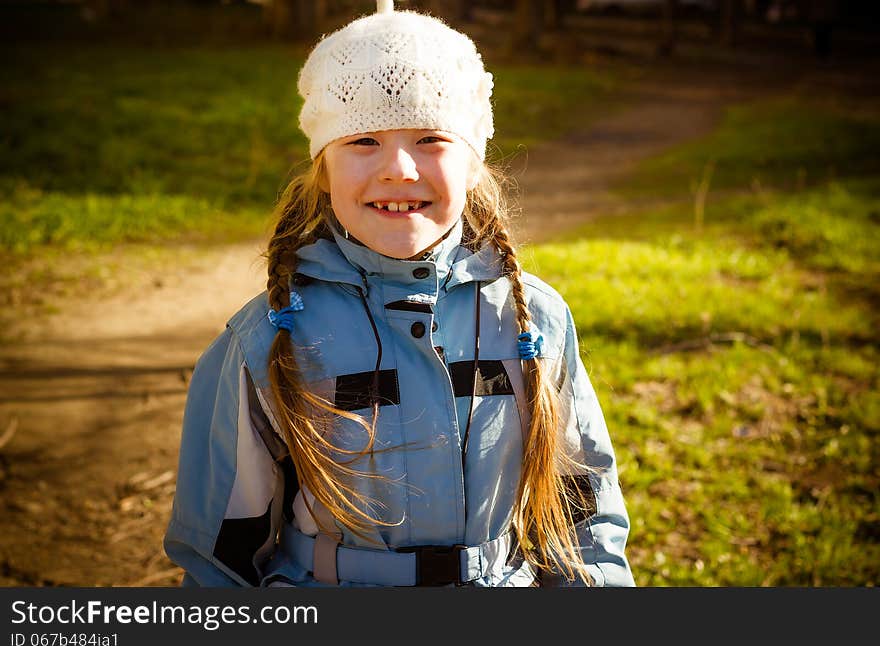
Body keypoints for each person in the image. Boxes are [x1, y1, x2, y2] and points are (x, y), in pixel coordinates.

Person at [163, 0, 635, 588]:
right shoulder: (266, 339)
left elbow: (582, 519)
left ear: (472, 165)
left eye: (432, 138)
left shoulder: (533, 320)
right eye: (363, 140)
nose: (400, 169)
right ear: (323, 168)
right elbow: (220, 563)